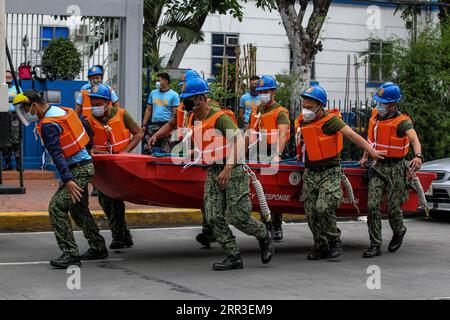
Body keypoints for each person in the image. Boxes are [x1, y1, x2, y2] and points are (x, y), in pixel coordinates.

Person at [180, 77, 274, 271]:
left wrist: (228, 168)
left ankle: (264, 235)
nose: (185, 102)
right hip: (214, 169)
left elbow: (239, 142)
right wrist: (192, 153)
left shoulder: (220, 117)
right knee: (213, 215)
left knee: (238, 216)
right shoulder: (193, 118)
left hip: (234, 168)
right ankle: (233, 256)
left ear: (201, 98)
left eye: (189, 98)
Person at [13, 90, 107, 269]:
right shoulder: (60, 111)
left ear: (34, 105)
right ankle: (98, 246)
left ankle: (70, 254)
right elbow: (84, 128)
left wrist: (68, 180)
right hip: (83, 165)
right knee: (78, 210)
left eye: (25, 109)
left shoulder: (48, 125)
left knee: (56, 207)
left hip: (76, 171)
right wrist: (88, 149)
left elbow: (57, 155)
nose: (26, 114)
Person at [295, 85, 385, 260]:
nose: (306, 110)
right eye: (304, 106)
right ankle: (321, 246)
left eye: (310, 107)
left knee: (324, 206)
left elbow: (352, 135)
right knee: (311, 212)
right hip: (311, 172)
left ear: (321, 106)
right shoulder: (304, 120)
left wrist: (371, 151)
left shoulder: (331, 121)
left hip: (329, 171)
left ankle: (334, 240)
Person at [148, 70, 219, 248]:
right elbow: (173, 124)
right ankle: (210, 230)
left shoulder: (209, 107)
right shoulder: (182, 106)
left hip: (202, 153)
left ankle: (211, 230)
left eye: (184, 85)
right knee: (201, 192)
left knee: (207, 192)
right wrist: (156, 135)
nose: (181, 89)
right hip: (185, 151)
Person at [359, 82, 423, 258]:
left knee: (394, 208)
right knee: (372, 205)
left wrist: (418, 156)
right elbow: (370, 140)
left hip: (395, 167)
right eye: (377, 102)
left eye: (382, 103)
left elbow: (414, 138)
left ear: (393, 104)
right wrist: (365, 156)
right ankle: (375, 244)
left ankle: (399, 230)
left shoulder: (402, 123)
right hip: (378, 165)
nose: (378, 106)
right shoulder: (375, 117)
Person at [86, 84, 143, 249]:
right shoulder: (88, 121)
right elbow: (87, 144)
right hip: (102, 165)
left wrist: (125, 152)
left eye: (98, 104)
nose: (94, 107)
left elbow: (138, 133)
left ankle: (119, 235)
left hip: (120, 164)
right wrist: (95, 151)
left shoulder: (122, 114)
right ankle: (123, 233)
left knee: (116, 199)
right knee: (105, 200)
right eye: (93, 104)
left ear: (107, 102)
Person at [246, 75, 290, 241]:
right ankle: (266, 224)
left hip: (273, 153)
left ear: (273, 92)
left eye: (266, 91)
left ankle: (277, 225)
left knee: (275, 191)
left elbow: (283, 134)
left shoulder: (280, 112)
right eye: (261, 91)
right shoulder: (257, 110)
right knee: (260, 190)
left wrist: (277, 155)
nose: (263, 94)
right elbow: (251, 132)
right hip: (258, 153)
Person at [142, 72, 180, 154]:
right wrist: (144, 125)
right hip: (154, 125)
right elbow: (148, 110)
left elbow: (175, 113)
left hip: (167, 125)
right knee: (148, 149)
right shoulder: (153, 93)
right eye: (156, 81)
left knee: (167, 151)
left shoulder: (174, 95)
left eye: (159, 81)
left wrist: (172, 129)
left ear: (166, 81)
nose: (157, 83)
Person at [1, 71, 22, 171]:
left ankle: (19, 164)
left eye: (9, 76)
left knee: (16, 139)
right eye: (6, 77)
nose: (8, 78)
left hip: (14, 116)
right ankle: (8, 164)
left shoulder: (17, 88)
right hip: (3, 116)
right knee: (5, 140)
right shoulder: (1, 88)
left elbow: (22, 99)